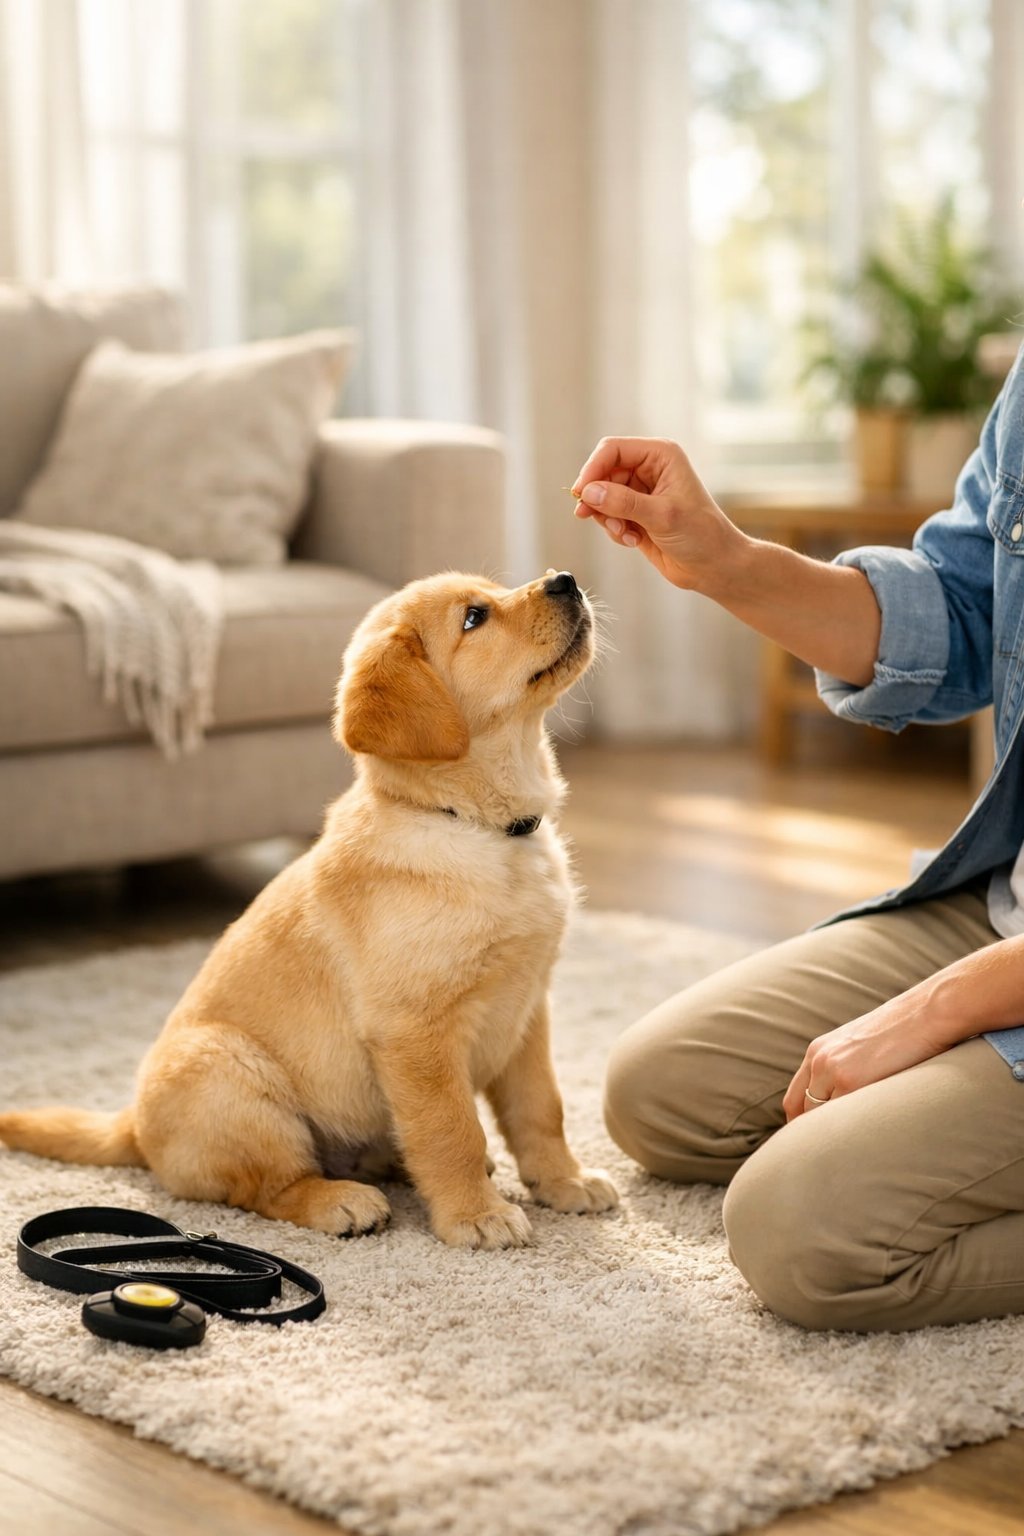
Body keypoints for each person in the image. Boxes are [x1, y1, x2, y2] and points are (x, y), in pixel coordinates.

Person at [570, 353, 1024, 1333]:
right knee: (663, 1093)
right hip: (1004, 911)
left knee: (800, 1231)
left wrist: (934, 1012)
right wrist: (728, 563)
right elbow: (961, 610)